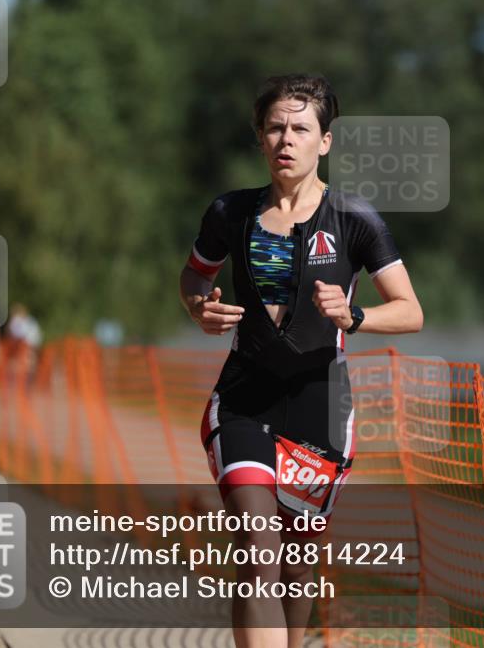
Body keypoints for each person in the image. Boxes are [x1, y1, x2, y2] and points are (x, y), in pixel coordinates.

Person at [180, 74, 423, 648]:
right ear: (260, 139)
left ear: (326, 141)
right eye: (274, 127)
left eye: (300, 128)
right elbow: (196, 273)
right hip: (242, 400)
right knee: (257, 551)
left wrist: (355, 317)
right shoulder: (229, 212)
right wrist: (198, 306)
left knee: (298, 563)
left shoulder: (355, 220)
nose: (286, 139)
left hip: (322, 409)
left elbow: (410, 310)